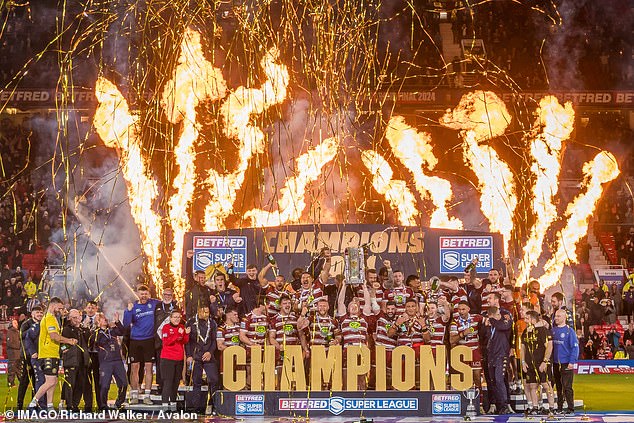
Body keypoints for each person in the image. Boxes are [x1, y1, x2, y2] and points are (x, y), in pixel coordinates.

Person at [28, 297, 77, 411]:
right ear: (53, 305)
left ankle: (49, 405)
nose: (60, 310)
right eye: (59, 308)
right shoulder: (49, 318)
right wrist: (69, 340)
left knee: (53, 381)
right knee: (50, 381)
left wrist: (62, 348)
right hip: (48, 354)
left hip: (52, 353)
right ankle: (33, 403)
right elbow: (54, 336)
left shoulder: (53, 318)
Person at [123, 285, 161, 405]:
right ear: (137, 294)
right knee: (134, 368)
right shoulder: (133, 307)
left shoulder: (154, 303)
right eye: (141, 294)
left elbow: (165, 302)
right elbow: (126, 324)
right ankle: (134, 395)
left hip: (149, 340)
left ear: (149, 294)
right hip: (135, 341)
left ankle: (147, 396)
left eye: (146, 294)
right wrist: (128, 311)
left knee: (149, 368)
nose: (143, 296)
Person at [521, 310, 555, 415]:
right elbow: (523, 348)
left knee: (546, 385)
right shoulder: (525, 331)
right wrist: (523, 361)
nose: (525, 320)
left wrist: (545, 361)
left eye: (527, 318)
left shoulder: (543, 331)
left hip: (542, 362)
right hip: (529, 364)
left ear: (533, 319)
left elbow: (549, 346)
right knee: (532, 385)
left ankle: (552, 407)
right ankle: (535, 407)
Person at [186, 305, 219, 415]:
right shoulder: (191, 322)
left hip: (208, 354)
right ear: (198, 311)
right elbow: (187, 341)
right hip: (196, 355)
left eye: (207, 312)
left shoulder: (212, 323)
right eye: (203, 312)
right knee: (196, 382)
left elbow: (214, 340)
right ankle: (196, 407)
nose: (206, 314)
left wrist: (210, 352)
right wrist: (189, 355)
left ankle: (212, 404)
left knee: (214, 379)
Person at [93, 312, 127, 410]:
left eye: (105, 317)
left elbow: (123, 332)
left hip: (117, 361)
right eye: (103, 318)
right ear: (98, 322)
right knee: (104, 386)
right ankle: (103, 406)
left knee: (124, 384)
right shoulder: (96, 333)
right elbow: (92, 346)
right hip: (105, 363)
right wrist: (102, 353)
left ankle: (119, 403)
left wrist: (117, 321)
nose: (106, 319)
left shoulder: (112, 330)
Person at [483, 306, 513, 414]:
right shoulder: (488, 325)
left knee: (499, 379)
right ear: (493, 314)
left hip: (501, 355)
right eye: (498, 314)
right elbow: (483, 337)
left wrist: (491, 320)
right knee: (493, 381)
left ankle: (505, 404)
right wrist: (486, 325)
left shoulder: (504, 322)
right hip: (491, 356)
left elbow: (503, 327)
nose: (500, 316)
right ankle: (499, 405)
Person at [61, 309, 91, 412]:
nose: (76, 320)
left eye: (78, 317)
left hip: (83, 361)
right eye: (74, 317)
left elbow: (89, 340)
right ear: (69, 318)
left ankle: (75, 404)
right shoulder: (66, 329)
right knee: (70, 384)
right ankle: (69, 405)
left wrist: (85, 328)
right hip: (71, 361)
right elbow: (63, 346)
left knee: (80, 384)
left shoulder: (83, 329)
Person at [160, 310, 190, 410]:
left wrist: (186, 334)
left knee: (176, 382)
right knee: (168, 382)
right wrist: (177, 334)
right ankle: (164, 405)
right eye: (175, 317)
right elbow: (166, 342)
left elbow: (184, 341)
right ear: (170, 318)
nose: (177, 319)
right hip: (167, 358)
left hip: (179, 358)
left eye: (178, 317)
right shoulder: (166, 328)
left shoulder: (182, 327)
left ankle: (173, 404)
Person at [552, 308, 579, 416]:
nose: (556, 318)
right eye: (555, 316)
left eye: (558, 316)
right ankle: (559, 407)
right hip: (555, 362)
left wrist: (572, 361)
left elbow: (575, 347)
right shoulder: (553, 330)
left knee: (567, 386)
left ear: (564, 317)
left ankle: (570, 408)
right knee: (558, 386)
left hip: (566, 362)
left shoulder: (569, 331)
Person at [17, 305, 44, 409]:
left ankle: (35, 404)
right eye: (37, 312)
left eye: (41, 312)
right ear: (32, 314)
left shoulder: (43, 323)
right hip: (28, 356)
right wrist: (33, 329)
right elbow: (21, 336)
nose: (40, 314)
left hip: (39, 356)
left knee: (37, 381)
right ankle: (19, 405)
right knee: (24, 381)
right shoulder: (26, 324)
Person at [154, 287, 178, 395]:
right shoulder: (157, 306)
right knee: (160, 365)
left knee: (171, 365)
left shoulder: (176, 307)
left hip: (172, 341)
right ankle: (160, 385)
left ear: (172, 296)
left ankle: (171, 387)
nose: (167, 297)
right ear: (162, 295)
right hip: (159, 341)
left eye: (169, 295)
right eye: (166, 294)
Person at [81, 300, 100, 411]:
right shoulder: (81, 320)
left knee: (99, 380)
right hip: (86, 355)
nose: (91, 310)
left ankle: (101, 404)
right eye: (89, 307)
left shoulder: (101, 319)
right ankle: (88, 405)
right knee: (86, 381)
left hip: (97, 354)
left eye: (93, 308)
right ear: (85, 309)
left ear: (96, 309)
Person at [6, 318, 21, 387]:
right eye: (15, 323)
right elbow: (9, 343)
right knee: (12, 368)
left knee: (19, 368)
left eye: (17, 323)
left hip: (18, 353)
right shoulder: (10, 332)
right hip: (12, 353)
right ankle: (11, 383)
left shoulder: (17, 332)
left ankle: (22, 382)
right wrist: (19, 346)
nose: (17, 324)